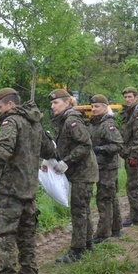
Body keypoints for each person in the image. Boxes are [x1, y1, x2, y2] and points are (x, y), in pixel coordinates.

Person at [0, 88, 56, 274]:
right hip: (29, 186)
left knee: (5, 232)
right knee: (27, 230)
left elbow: (3, 152)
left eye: (0, 107)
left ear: (10, 105)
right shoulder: (35, 122)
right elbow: (49, 150)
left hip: (10, 188)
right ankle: (28, 269)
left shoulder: (11, 122)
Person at [46, 89, 99, 263]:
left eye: (56, 102)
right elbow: (62, 146)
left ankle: (77, 250)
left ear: (67, 102)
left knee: (79, 211)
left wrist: (66, 161)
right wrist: (50, 161)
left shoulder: (71, 120)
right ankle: (88, 245)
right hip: (79, 172)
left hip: (83, 172)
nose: (52, 106)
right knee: (83, 210)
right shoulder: (63, 120)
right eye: (52, 103)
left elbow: (84, 145)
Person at [87, 94, 124, 243]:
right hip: (99, 165)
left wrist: (101, 149)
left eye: (97, 106)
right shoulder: (94, 123)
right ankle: (116, 227)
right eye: (92, 107)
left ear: (104, 107)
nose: (94, 109)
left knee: (104, 198)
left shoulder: (108, 124)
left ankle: (103, 233)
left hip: (108, 166)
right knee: (110, 197)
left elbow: (117, 145)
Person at [119, 87, 138, 227]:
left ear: (136, 97)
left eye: (130, 97)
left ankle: (135, 215)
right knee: (137, 182)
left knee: (132, 185)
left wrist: (133, 155)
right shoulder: (130, 112)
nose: (127, 99)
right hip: (130, 151)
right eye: (125, 97)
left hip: (134, 153)